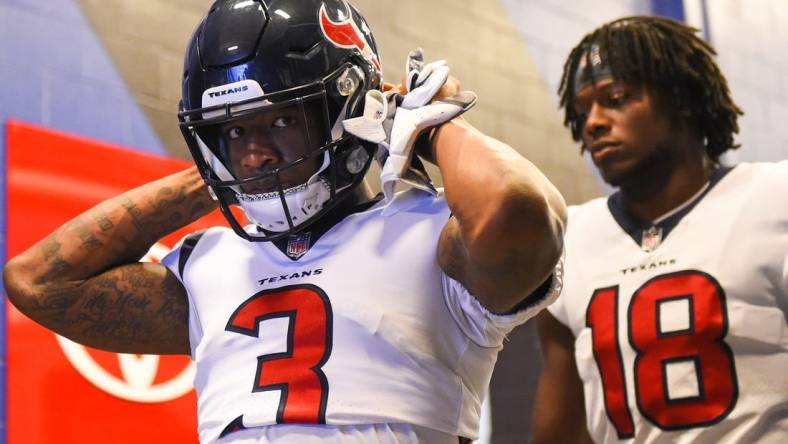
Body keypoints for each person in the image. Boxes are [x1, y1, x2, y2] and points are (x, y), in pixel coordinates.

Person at [3, 0, 567, 442]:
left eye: (279, 120)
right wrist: (218, 175)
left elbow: (518, 212)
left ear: (348, 108)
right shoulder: (212, 264)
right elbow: (39, 282)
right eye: (233, 132)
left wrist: (433, 125)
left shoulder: (433, 233)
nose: (254, 154)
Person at [530, 15, 788, 444]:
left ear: (681, 99)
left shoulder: (772, 196)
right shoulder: (569, 237)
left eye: (616, 98)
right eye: (582, 111)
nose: (594, 122)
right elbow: (558, 433)